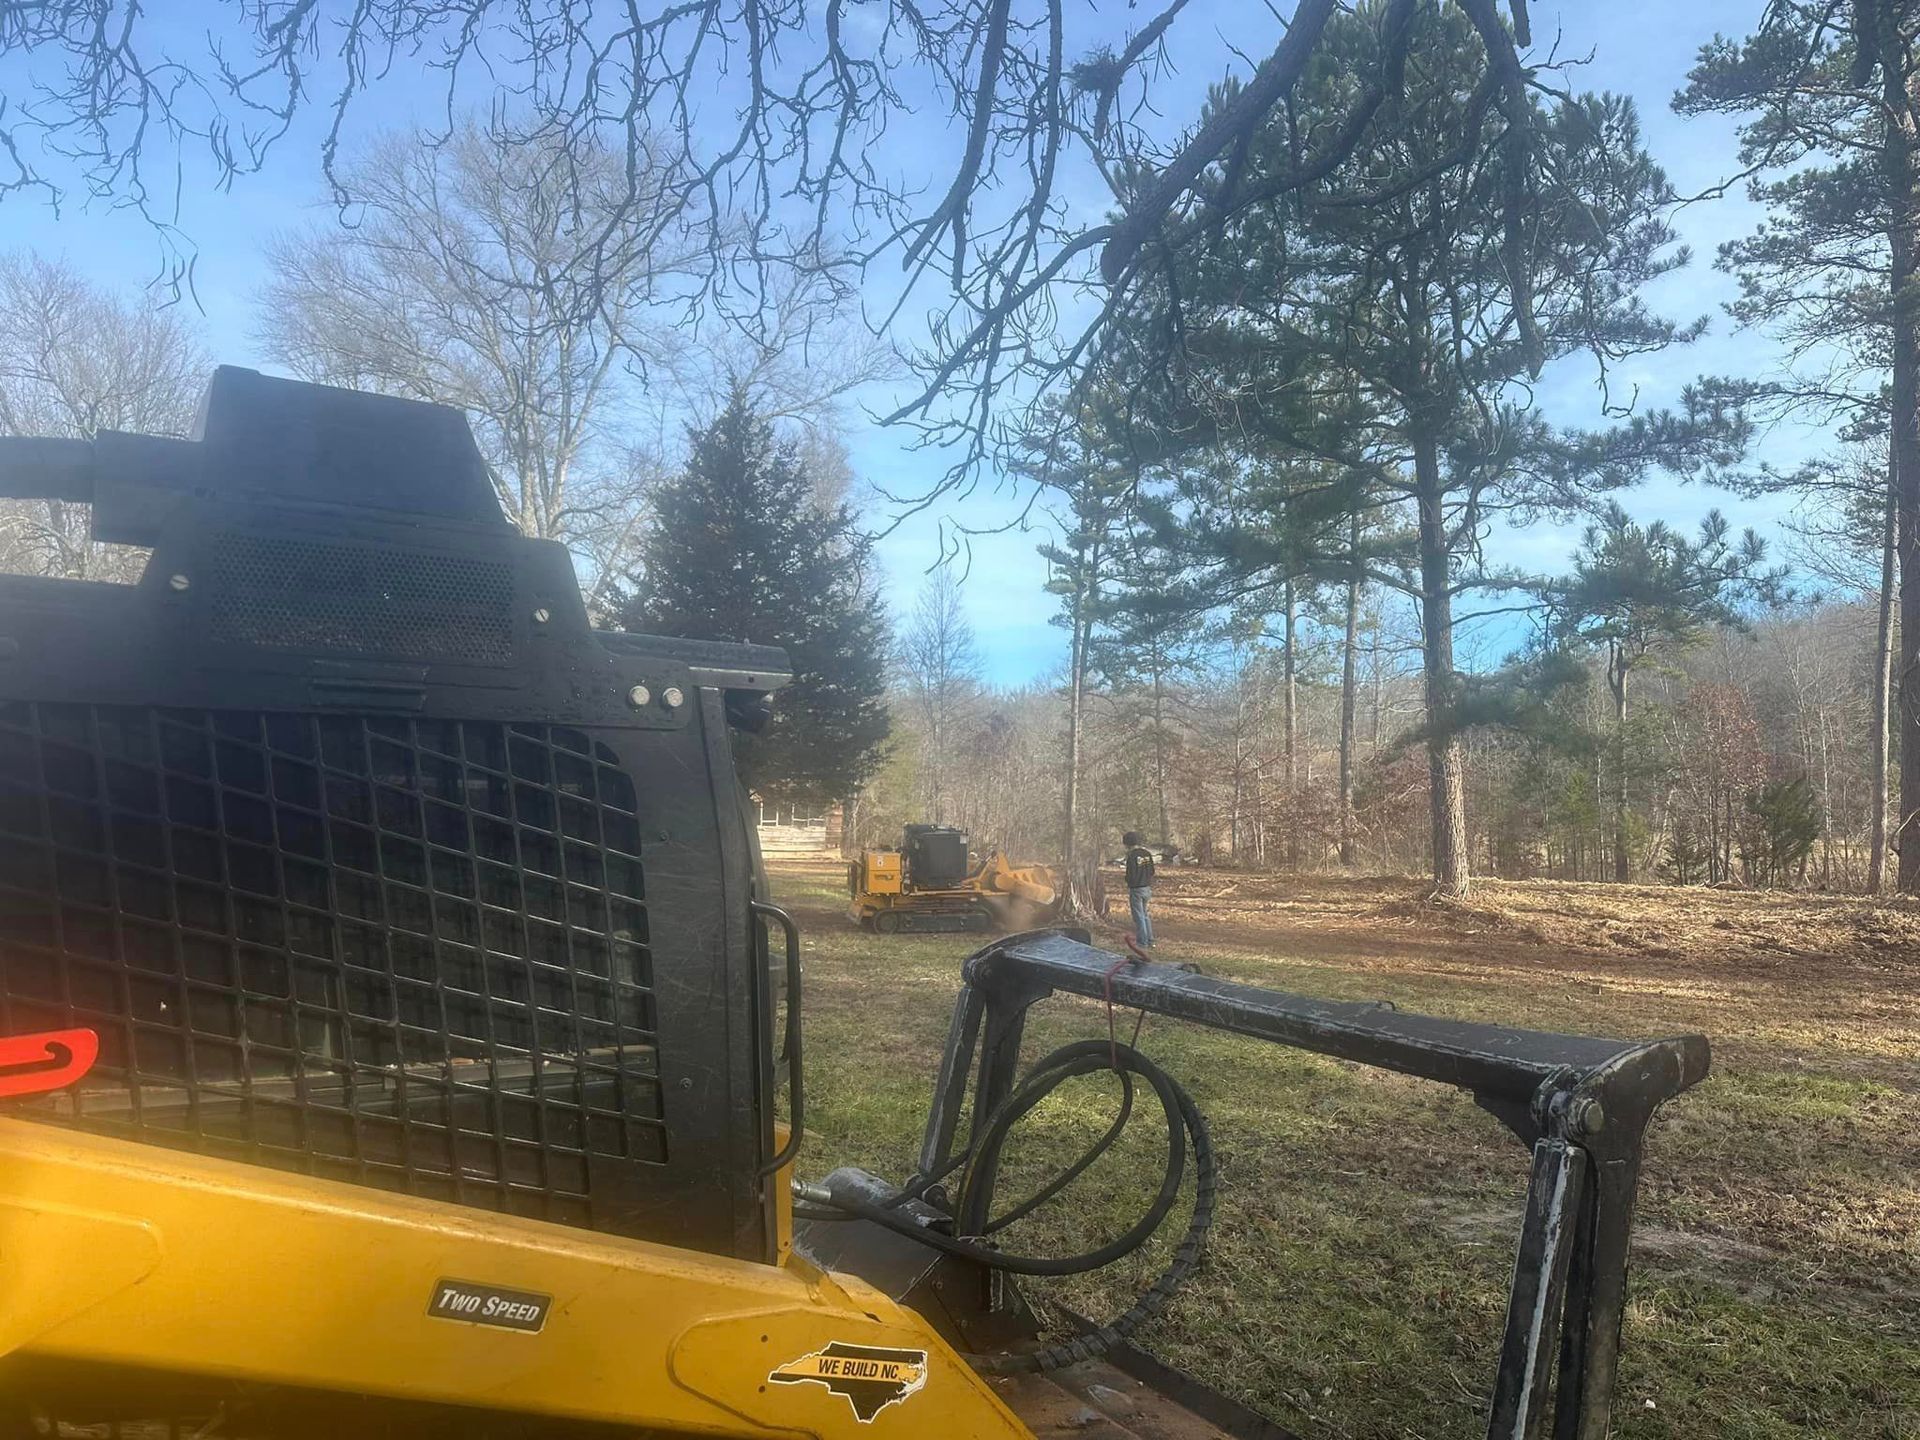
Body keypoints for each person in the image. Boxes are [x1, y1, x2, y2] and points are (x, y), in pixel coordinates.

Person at [1122, 831, 1156, 951]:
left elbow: (1130, 874)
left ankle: (1142, 942)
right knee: (1145, 915)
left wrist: (1128, 881)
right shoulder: (1147, 854)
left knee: (1139, 916)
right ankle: (1150, 940)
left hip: (1136, 889)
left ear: (1127, 844)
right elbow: (1152, 871)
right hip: (1147, 888)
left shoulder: (1131, 856)